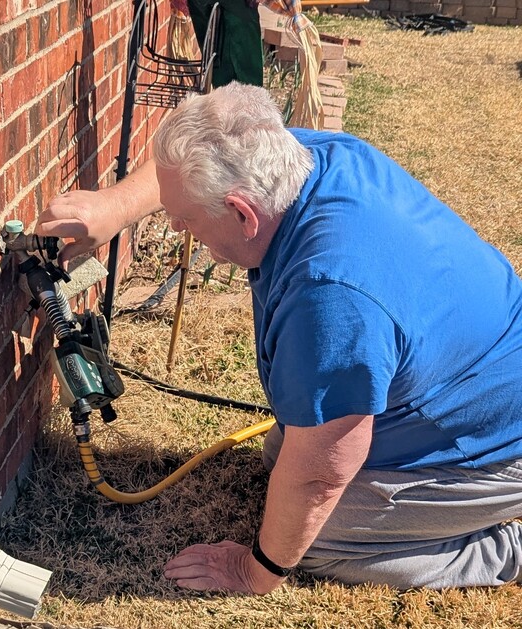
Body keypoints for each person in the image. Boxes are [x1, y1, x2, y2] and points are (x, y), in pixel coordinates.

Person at [35, 82, 522, 595]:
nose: (176, 224)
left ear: (243, 214)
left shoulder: (328, 295)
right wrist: (114, 208)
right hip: (475, 376)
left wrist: (257, 570)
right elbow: (191, 160)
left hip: (491, 444)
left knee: (312, 538)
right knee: (281, 462)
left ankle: (504, 547)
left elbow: (323, 471)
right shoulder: (305, 158)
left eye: (187, 219)